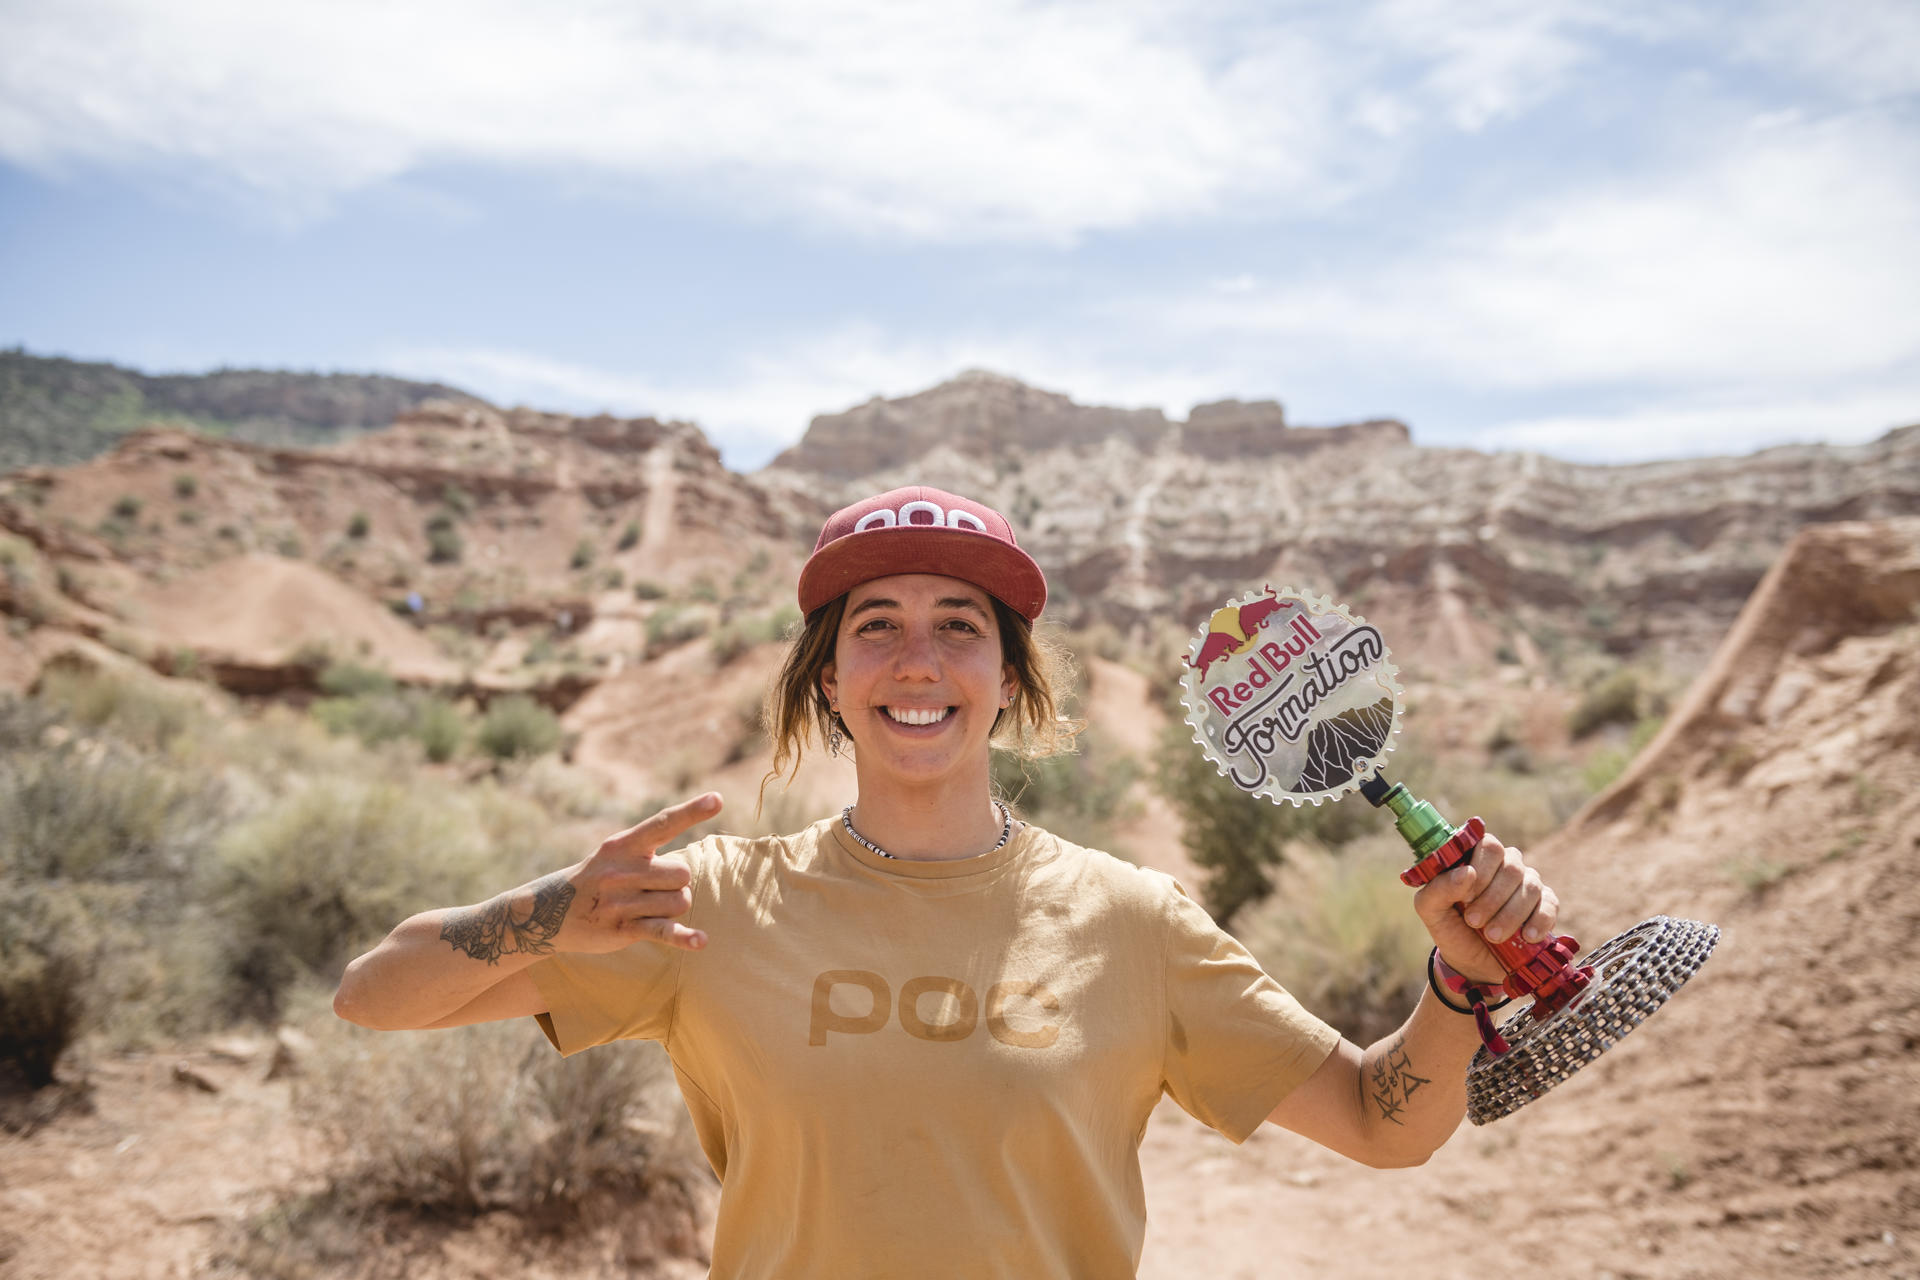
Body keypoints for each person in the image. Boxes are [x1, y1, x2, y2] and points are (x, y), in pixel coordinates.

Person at [335, 484, 1563, 1277]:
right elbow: (375, 994)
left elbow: (1381, 1123)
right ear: (827, 678)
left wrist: (1459, 983)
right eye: (874, 623)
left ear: (1011, 681)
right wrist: (548, 908)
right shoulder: (704, 900)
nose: (915, 657)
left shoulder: (1134, 921)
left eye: (959, 625)